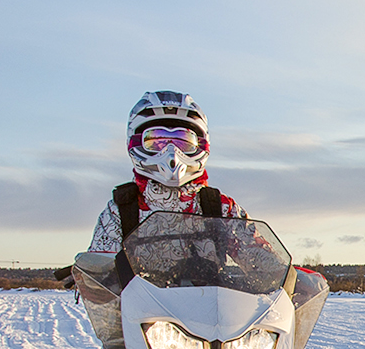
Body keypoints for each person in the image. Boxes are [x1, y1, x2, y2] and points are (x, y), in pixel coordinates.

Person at [87, 91, 246, 253]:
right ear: (135, 141)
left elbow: (261, 260)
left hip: (210, 279)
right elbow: (100, 268)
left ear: (200, 144)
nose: (172, 152)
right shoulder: (121, 211)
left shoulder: (220, 208)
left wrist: (268, 269)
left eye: (183, 141)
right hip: (136, 279)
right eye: (156, 141)